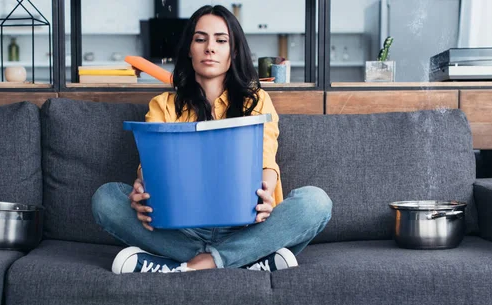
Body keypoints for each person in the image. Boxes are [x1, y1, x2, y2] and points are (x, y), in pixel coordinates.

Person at [92, 5, 332, 274]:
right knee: (107, 199)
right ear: (189, 49)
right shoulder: (163, 105)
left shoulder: (256, 100)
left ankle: (192, 264)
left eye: (221, 40)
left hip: (247, 224)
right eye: (200, 39)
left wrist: (265, 192)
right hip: (181, 228)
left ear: (234, 51)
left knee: (316, 202)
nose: (210, 48)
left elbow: (266, 159)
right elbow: (151, 165)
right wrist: (142, 190)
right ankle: (247, 260)